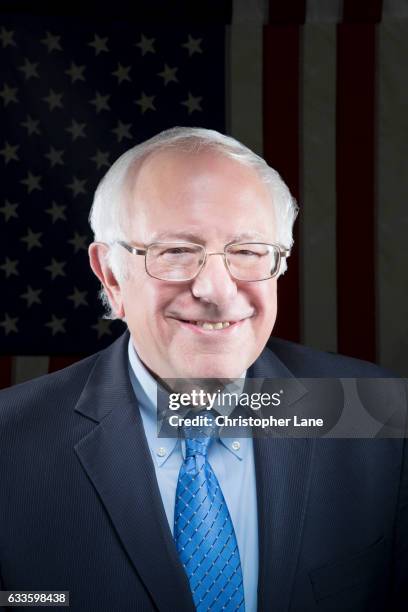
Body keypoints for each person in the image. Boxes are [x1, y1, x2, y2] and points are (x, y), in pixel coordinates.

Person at [0, 127, 406, 612]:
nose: (216, 290)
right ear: (110, 275)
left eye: (249, 251)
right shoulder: (10, 443)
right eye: (175, 252)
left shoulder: (375, 418)